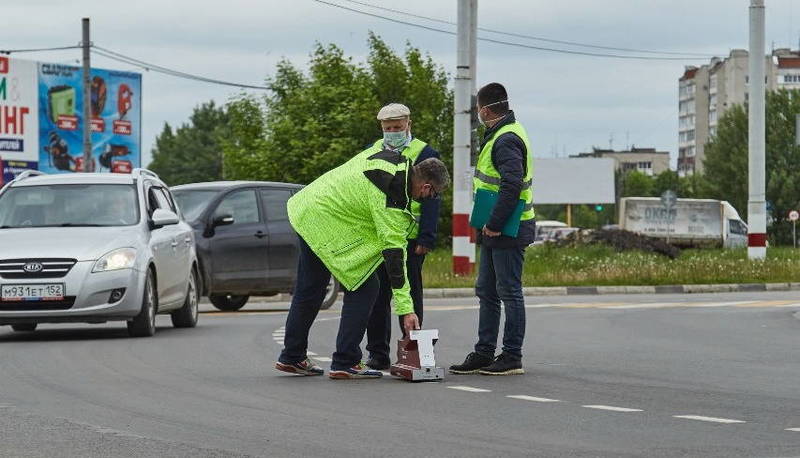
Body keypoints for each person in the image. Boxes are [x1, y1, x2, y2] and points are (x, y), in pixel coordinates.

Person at [275, 149, 450, 380]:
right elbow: (395, 257)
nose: (428, 199)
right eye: (433, 194)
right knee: (366, 287)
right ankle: (345, 361)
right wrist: (407, 309)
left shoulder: (393, 160)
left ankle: (292, 356)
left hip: (308, 209)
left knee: (310, 288)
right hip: (326, 221)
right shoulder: (394, 197)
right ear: (426, 187)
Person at [449, 82, 535, 376]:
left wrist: (495, 224)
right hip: (494, 227)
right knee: (486, 289)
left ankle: (512, 356)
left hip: (507, 228)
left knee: (509, 291)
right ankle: (484, 352)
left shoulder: (506, 139)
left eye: (478, 109)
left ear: (484, 110)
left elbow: (512, 185)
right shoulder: (502, 133)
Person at [362, 103, 442, 370]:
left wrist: (426, 237)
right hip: (379, 237)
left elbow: (432, 198)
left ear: (408, 124)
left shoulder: (424, 152)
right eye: (388, 128)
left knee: (410, 294)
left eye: (398, 127)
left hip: (410, 237)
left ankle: (413, 349)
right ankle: (377, 352)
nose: (393, 132)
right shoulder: (373, 152)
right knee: (378, 295)